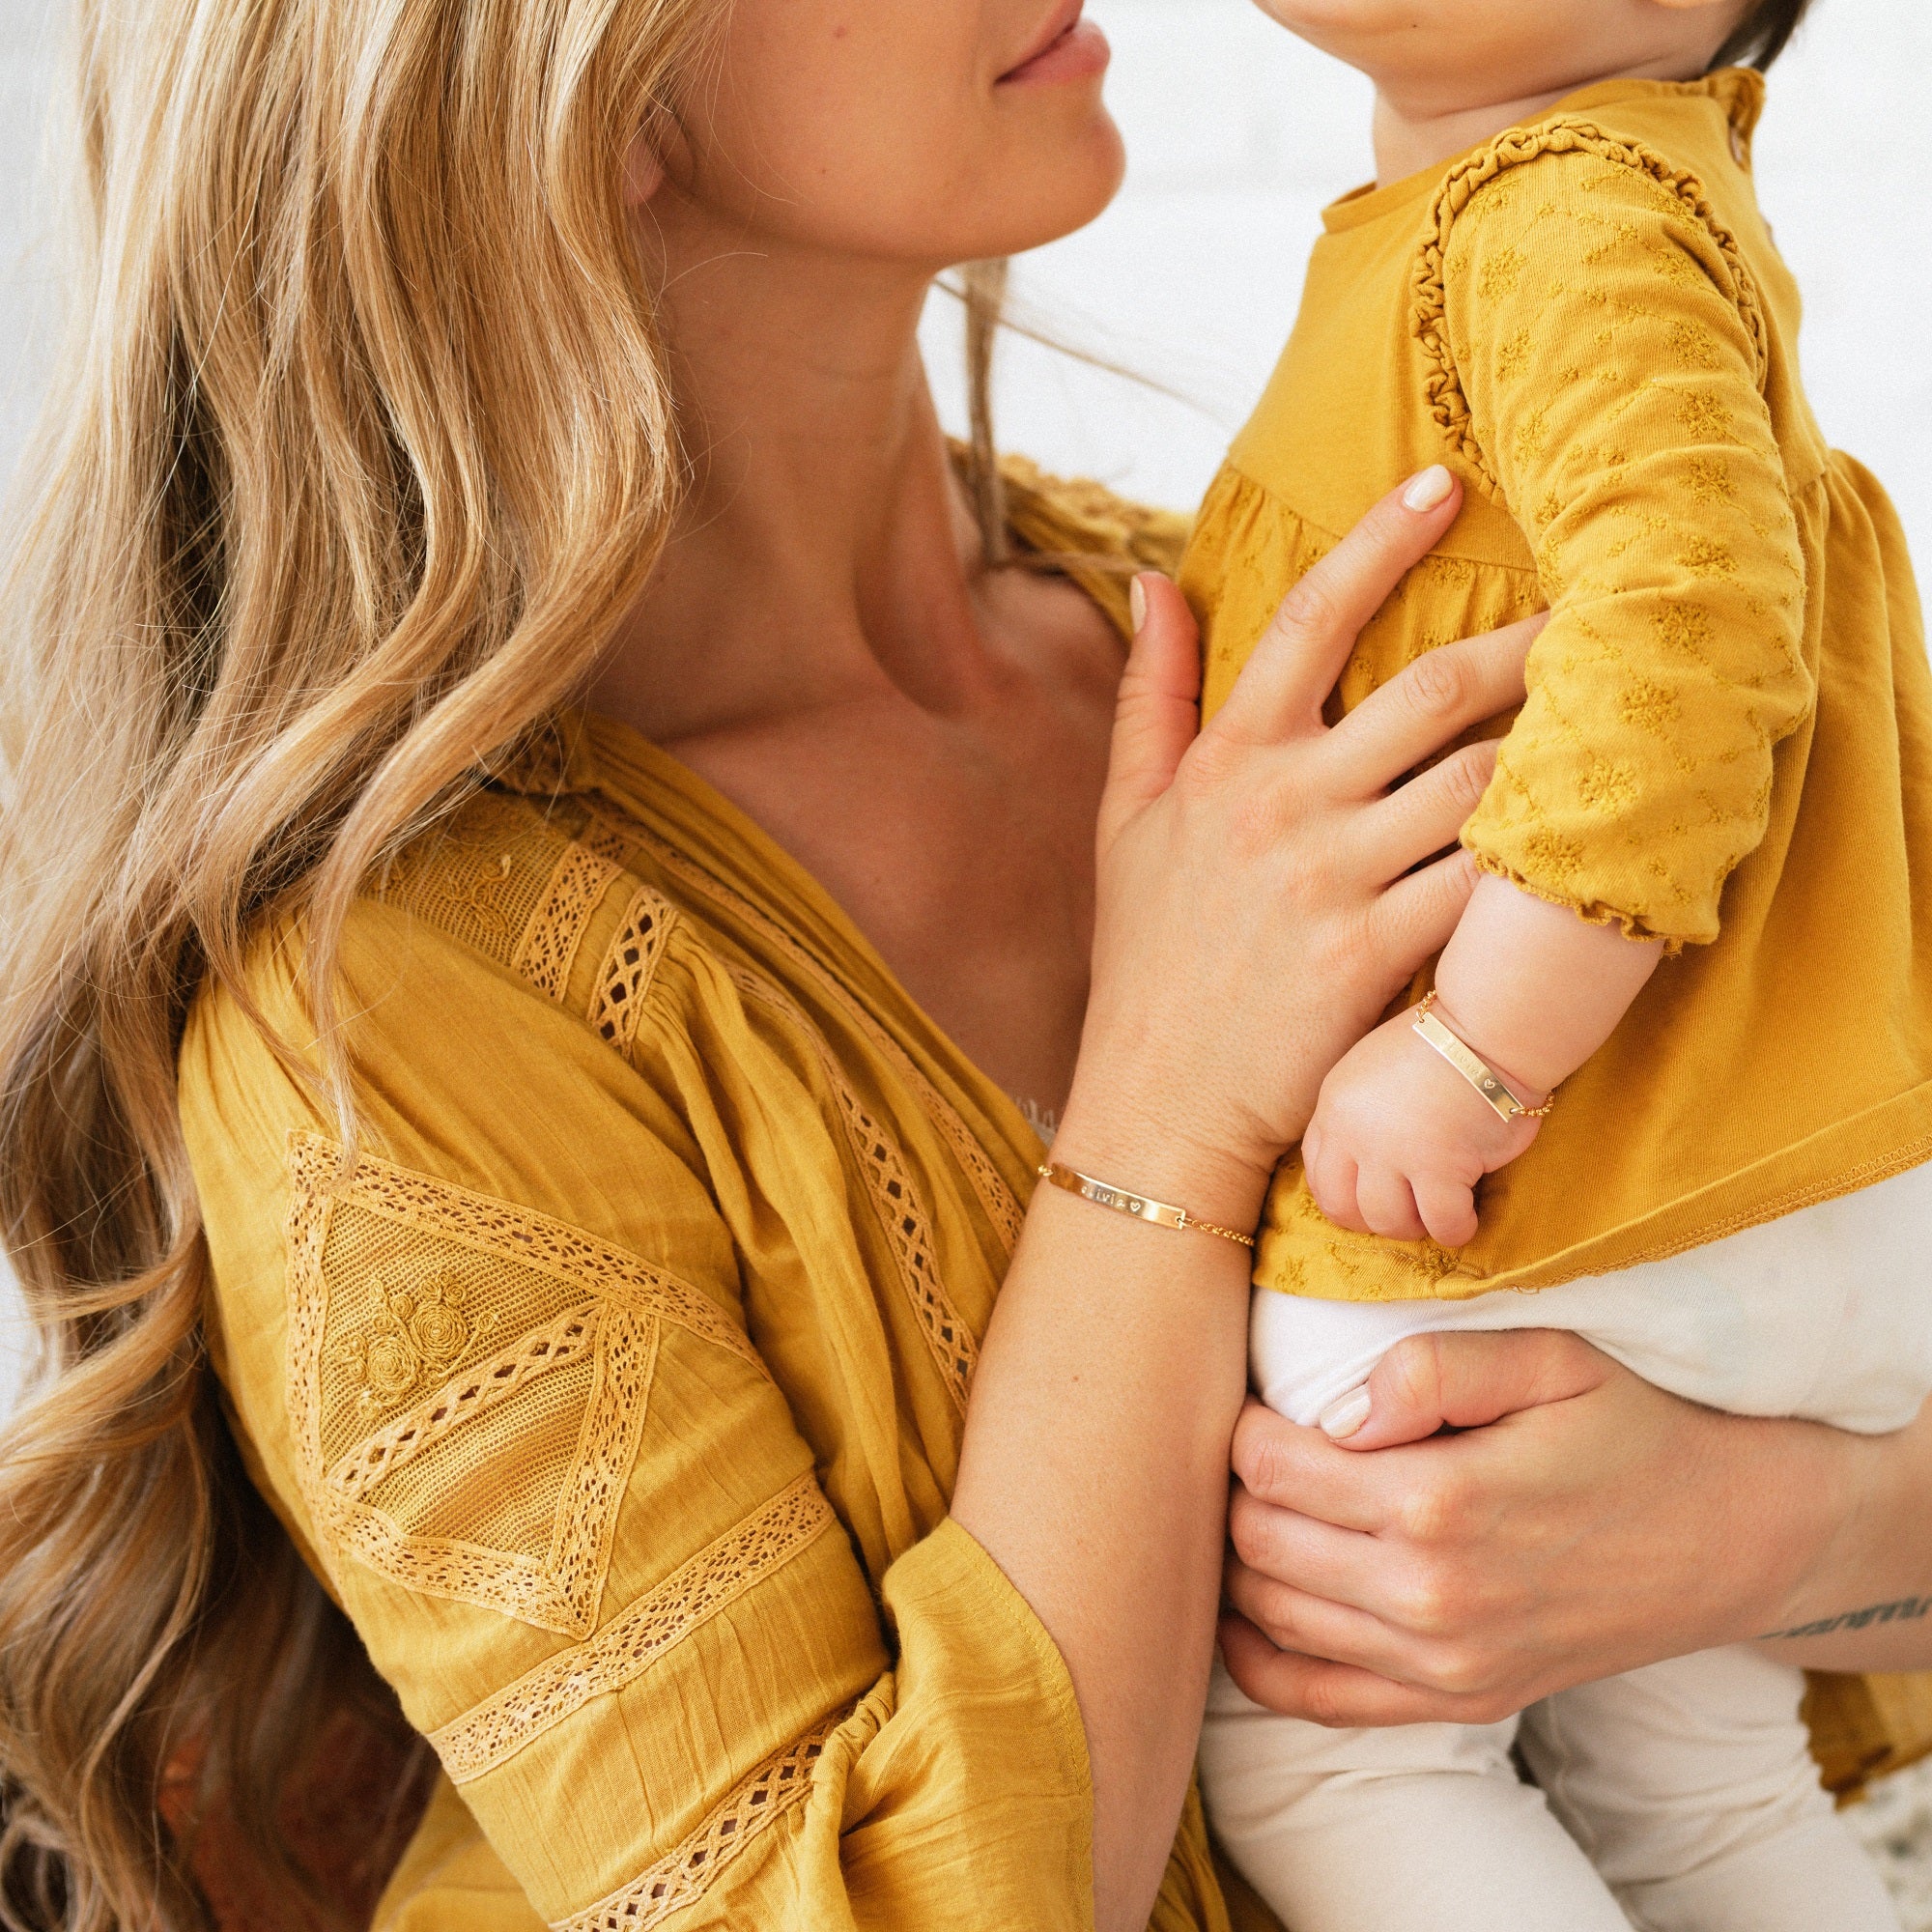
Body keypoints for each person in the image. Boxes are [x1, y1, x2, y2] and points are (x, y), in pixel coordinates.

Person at [0, 4, 1929, 1932]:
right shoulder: (381, 1027)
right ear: (574, 91)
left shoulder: (1303, 646)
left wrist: (1769, 1534)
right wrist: (1162, 1114)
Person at [1179, 0, 1931, 1924]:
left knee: (1332, 1746)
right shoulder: (1594, 196)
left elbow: (1694, 632)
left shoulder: (1555, 209)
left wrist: (1470, 1049)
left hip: (1558, 1195)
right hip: (1764, 1184)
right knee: (1701, 1781)